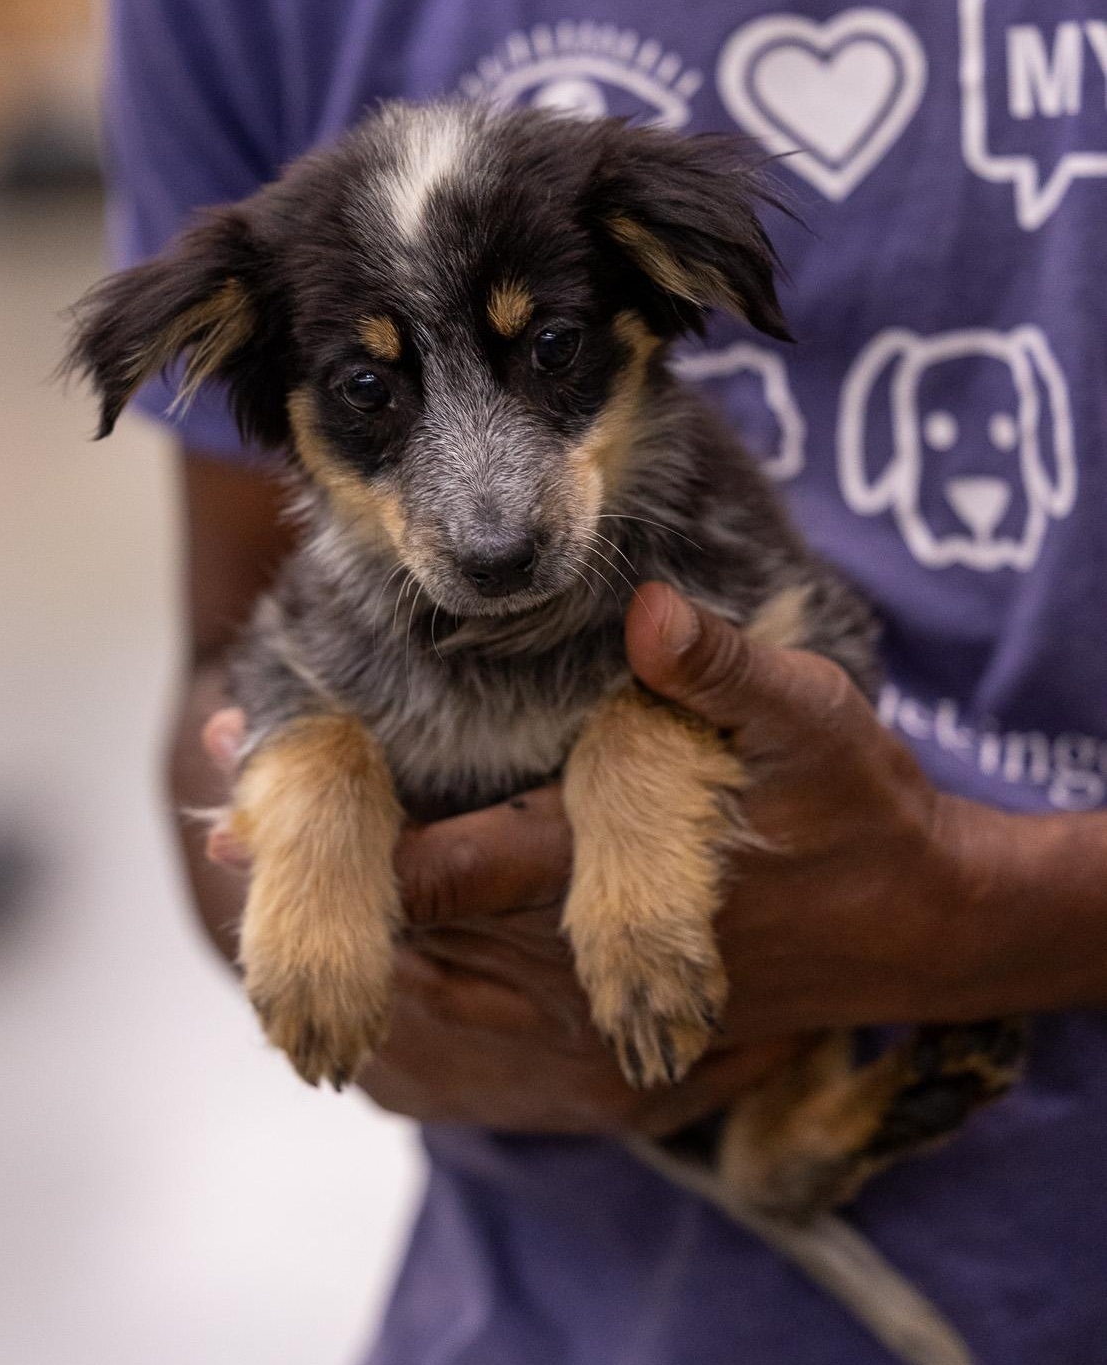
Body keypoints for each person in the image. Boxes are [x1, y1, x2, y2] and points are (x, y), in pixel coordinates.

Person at [104, 2, 1107, 1360]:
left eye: (552, 353)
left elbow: (806, 658)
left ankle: (792, 1129)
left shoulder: (697, 508)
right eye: (366, 391)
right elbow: (233, 669)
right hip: (562, 1297)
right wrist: (296, 872)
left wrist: (977, 913)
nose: (490, 515)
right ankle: (774, 1147)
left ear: (651, 305)